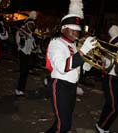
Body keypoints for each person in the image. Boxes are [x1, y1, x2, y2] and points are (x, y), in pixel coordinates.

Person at [45, 0, 98, 132]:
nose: (76, 33)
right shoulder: (56, 43)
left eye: (78, 30)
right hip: (60, 86)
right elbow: (63, 67)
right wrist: (83, 52)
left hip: (72, 86)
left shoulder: (73, 45)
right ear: (63, 28)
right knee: (64, 125)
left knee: (61, 121)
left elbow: (76, 66)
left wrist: (88, 63)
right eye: (72, 29)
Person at [95, 25, 118, 133]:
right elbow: (107, 64)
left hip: (117, 78)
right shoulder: (114, 46)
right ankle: (101, 126)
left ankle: (104, 126)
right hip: (111, 78)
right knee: (115, 107)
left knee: (111, 105)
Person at [15, 15, 37, 96]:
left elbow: (34, 48)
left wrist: (33, 40)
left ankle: (21, 89)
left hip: (28, 54)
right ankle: (18, 89)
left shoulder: (31, 34)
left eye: (32, 25)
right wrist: (23, 38)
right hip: (22, 54)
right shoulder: (20, 32)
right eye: (30, 24)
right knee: (23, 72)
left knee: (25, 72)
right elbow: (20, 45)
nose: (31, 26)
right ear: (27, 24)